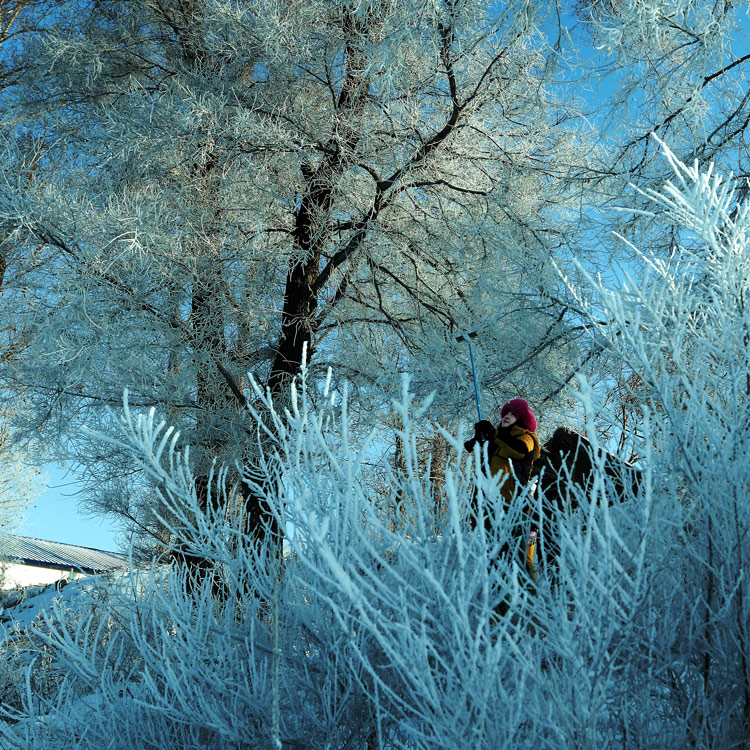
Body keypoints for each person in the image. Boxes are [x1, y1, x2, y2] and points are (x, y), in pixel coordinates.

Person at [464, 398, 541, 577]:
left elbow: (520, 450)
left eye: (513, 413)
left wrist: (494, 435)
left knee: (521, 560)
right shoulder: (496, 439)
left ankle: (528, 602)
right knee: (493, 560)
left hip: (515, 507)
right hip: (488, 507)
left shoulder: (526, 437)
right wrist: (481, 436)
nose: (508, 416)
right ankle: (498, 603)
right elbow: (473, 451)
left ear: (521, 418)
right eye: (506, 412)